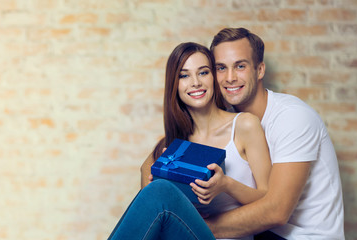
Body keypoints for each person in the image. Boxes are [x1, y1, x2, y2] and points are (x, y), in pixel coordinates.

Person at [139, 28, 345, 239]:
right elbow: (150, 162)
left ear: (260, 70)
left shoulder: (293, 118)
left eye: (240, 66)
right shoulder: (222, 120)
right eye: (221, 68)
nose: (230, 78)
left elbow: (276, 211)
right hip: (259, 234)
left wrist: (188, 226)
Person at [109, 42, 272, 240]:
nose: (195, 82)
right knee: (159, 189)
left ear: (214, 77)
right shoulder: (172, 148)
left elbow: (268, 199)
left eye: (203, 72)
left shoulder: (245, 125)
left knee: (161, 190)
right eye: (184, 76)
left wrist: (226, 185)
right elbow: (148, 187)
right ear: (174, 85)